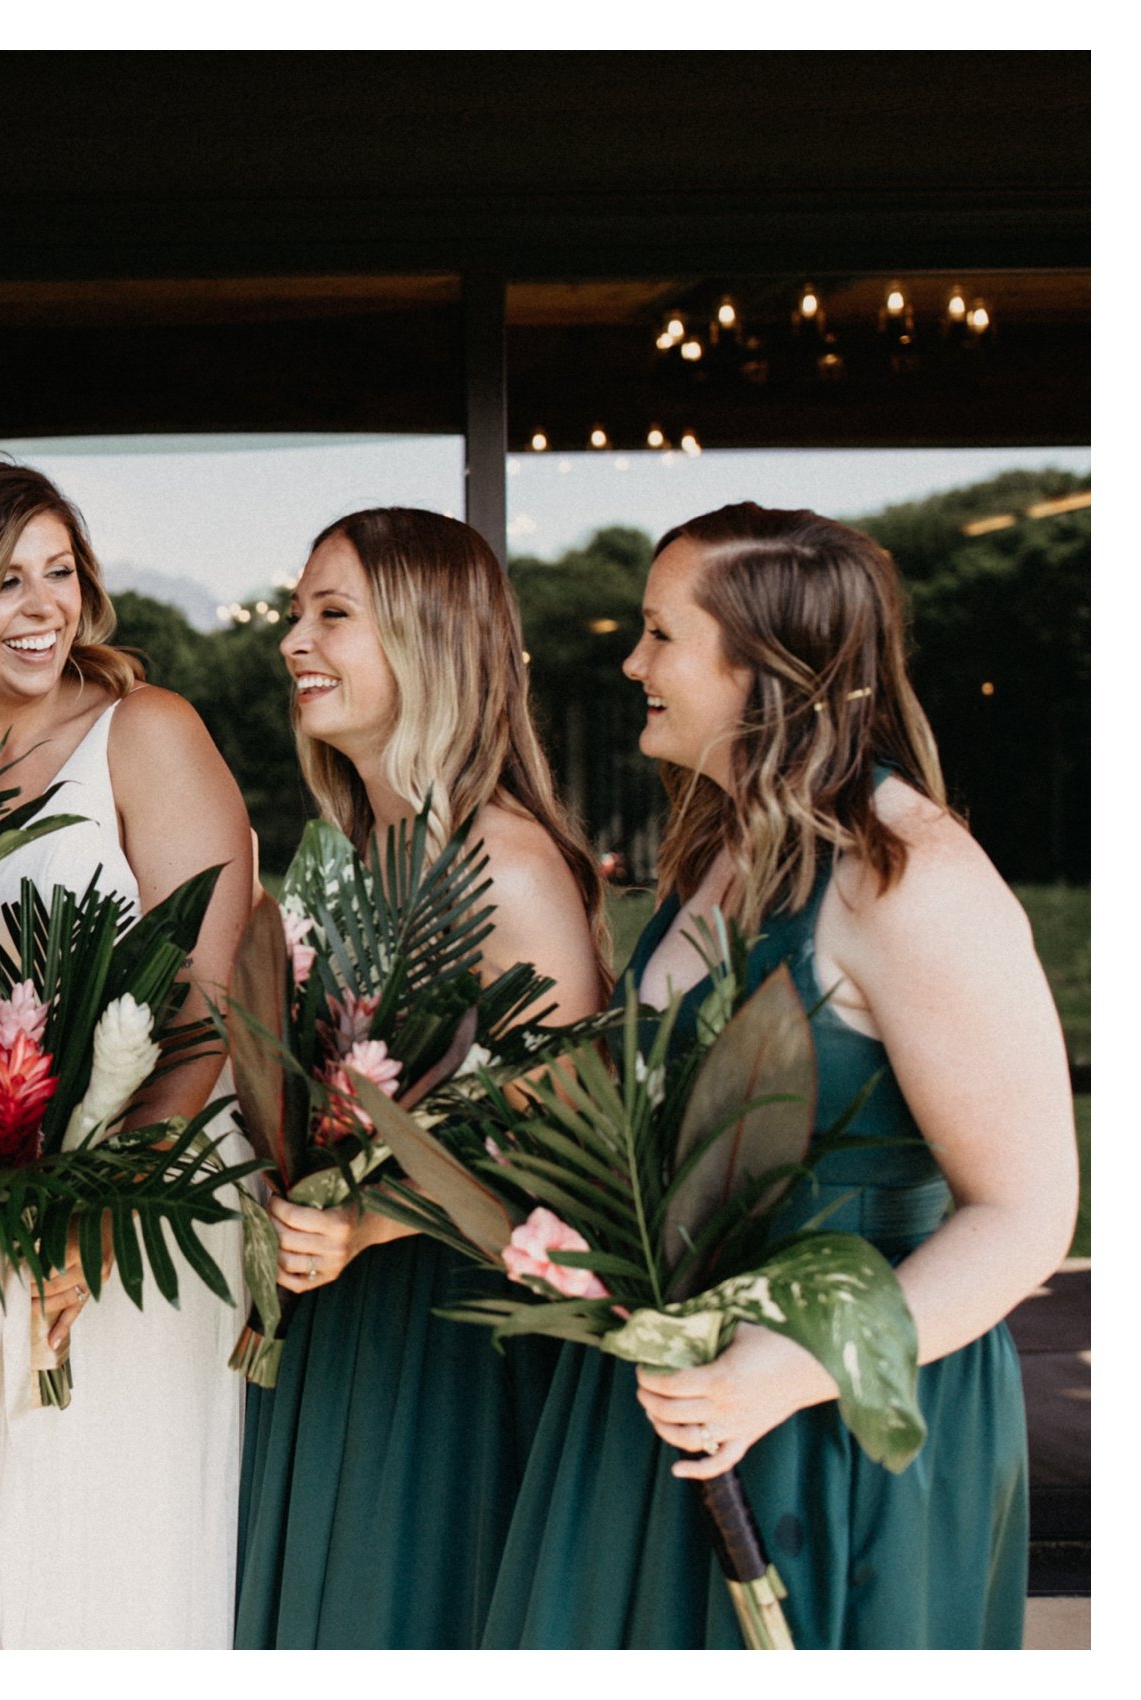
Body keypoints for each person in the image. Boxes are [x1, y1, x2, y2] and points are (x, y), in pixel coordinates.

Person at [485, 502, 1076, 1648]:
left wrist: (789, 1370)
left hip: (833, 1413)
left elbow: (1026, 1214)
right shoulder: (716, 854)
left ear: (764, 670)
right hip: (677, 1394)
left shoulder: (907, 877)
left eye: (661, 634)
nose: (631, 662)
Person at [0, 457, 256, 1647]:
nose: (45, 606)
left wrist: (103, 1216)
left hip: (145, 1203)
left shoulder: (142, 733)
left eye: (61, 572)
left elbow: (206, 1004)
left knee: (108, 1537)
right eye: (5, 581)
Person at [234, 508, 607, 1648]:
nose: (294, 639)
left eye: (332, 614)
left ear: (432, 639)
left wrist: (372, 1220)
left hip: (448, 1345)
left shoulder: (503, 860)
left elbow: (577, 1152)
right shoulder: (349, 849)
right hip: (336, 1321)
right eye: (297, 613)